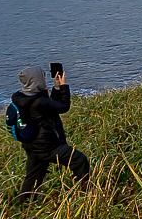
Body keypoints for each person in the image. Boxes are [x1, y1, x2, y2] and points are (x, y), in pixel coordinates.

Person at [11, 66, 90, 202]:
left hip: (32, 145)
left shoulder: (24, 97)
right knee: (79, 160)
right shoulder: (39, 101)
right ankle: (87, 193)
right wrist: (64, 86)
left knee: (33, 175)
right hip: (48, 146)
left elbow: (51, 107)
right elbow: (63, 107)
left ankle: (22, 203)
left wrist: (56, 88)